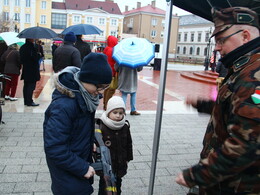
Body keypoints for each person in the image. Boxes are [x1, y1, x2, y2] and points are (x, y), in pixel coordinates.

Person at [175, 7, 260, 195]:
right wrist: (206, 105)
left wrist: (197, 175)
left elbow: (247, 142)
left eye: (222, 40)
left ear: (245, 36)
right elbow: (238, 109)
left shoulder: (254, 76)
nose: (217, 47)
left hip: (238, 185)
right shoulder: (244, 66)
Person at [43, 52, 112, 195]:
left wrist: (89, 141)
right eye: (99, 87)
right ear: (87, 80)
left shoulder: (84, 96)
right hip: (67, 169)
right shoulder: (64, 106)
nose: (100, 93)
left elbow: (80, 128)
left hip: (76, 162)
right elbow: (54, 147)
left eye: (104, 88)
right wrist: (82, 167)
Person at [96, 96, 133, 195]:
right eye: (115, 112)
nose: (118, 116)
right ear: (108, 112)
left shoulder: (124, 126)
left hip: (120, 164)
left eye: (121, 113)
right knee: (104, 188)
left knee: (117, 187)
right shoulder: (102, 126)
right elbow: (97, 146)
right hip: (106, 167)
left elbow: (129, 143)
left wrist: (128, 158)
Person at [19, 38, 40, 106]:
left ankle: (26, 101)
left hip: (26, 69)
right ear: (30, 39)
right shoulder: (31, 48)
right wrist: (38, 55)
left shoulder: (22, 47)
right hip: (32, 70)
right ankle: (29, 101)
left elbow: (21, 58)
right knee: (31, 86)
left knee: (26, 86)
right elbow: (35, 58)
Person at [103, 35, 118, 110]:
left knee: (106, 89)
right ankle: (107, 105)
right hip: (112, 72)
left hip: (106, 71)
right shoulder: (113, 50)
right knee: (111, 89)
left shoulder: (106, 49)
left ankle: (104, 104)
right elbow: (115, 62)